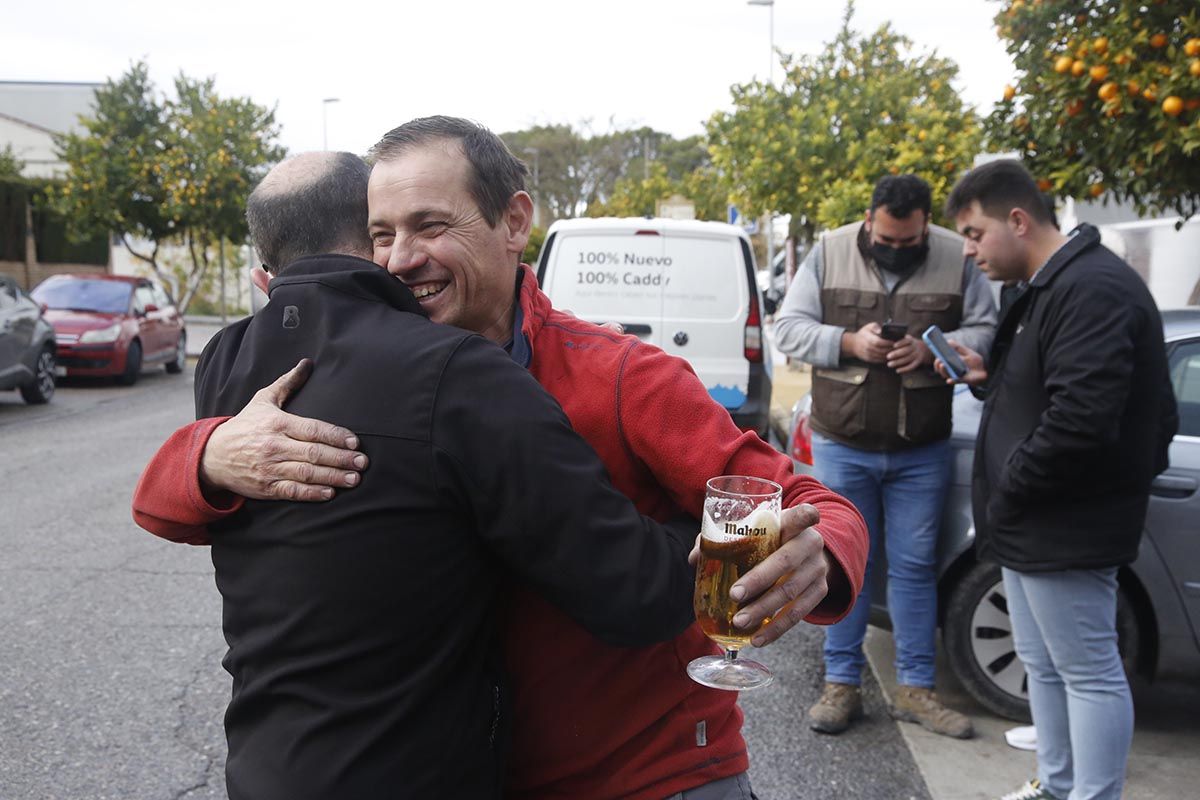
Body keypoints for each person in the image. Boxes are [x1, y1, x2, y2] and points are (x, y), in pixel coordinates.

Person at [133, 118, 870, 800]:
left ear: (514, 222)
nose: (400, 258)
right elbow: (171, 508)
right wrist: (207, 455)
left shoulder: (620, 375)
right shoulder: (357, 376)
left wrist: (817, 553)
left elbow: (812, 502)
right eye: (380, 233)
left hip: (647, 779)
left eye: (430, 226)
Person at [941, 159, 1177, 800]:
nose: (969, 250)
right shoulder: (1054, 285)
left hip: (1064, 522)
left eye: (974, 233)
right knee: (1043, 664)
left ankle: (1090, 794)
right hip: (1032, 522)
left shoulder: (1092, 289)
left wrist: (1013, 485)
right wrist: (991, 380)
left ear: (1017, 220)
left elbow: (1083, 419)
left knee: (1090, 672)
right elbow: (1053, 391)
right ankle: (1058, 784)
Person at [773, 174, 996, 738]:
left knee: (917, 568)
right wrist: (850, 342)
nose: (897, 248)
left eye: (909, 241)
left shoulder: (957, 255)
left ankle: (916, 691)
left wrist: (929, 348)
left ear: (925, 226)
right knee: (846, 565)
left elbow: (989, 330)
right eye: (887, 239)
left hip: (922, 448)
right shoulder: (828, 252)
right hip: (842, 443)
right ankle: (841, 685)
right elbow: (791, 331)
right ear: (870, 220)